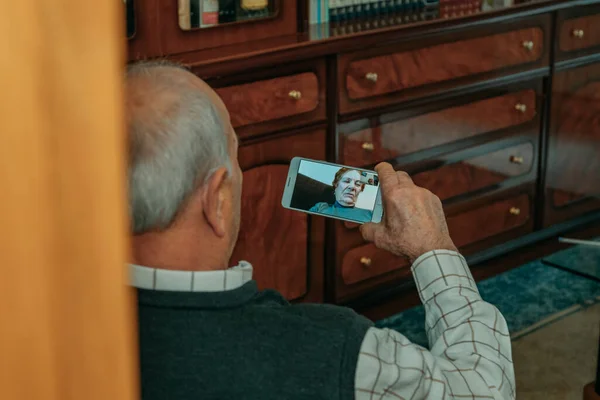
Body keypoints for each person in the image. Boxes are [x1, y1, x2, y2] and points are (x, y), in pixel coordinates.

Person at [126, 61, 515, 400]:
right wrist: (433, 248)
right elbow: (484, 390)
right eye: (236, 154)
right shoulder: (336, 350)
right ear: (217, 201)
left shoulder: (70, 332)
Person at [309, 167, 373, 223]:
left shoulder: (370, 214)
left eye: (358, 184)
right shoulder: (320, 207)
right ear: (336, 185)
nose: (352, 187)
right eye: (346, 181)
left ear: (361, 190)